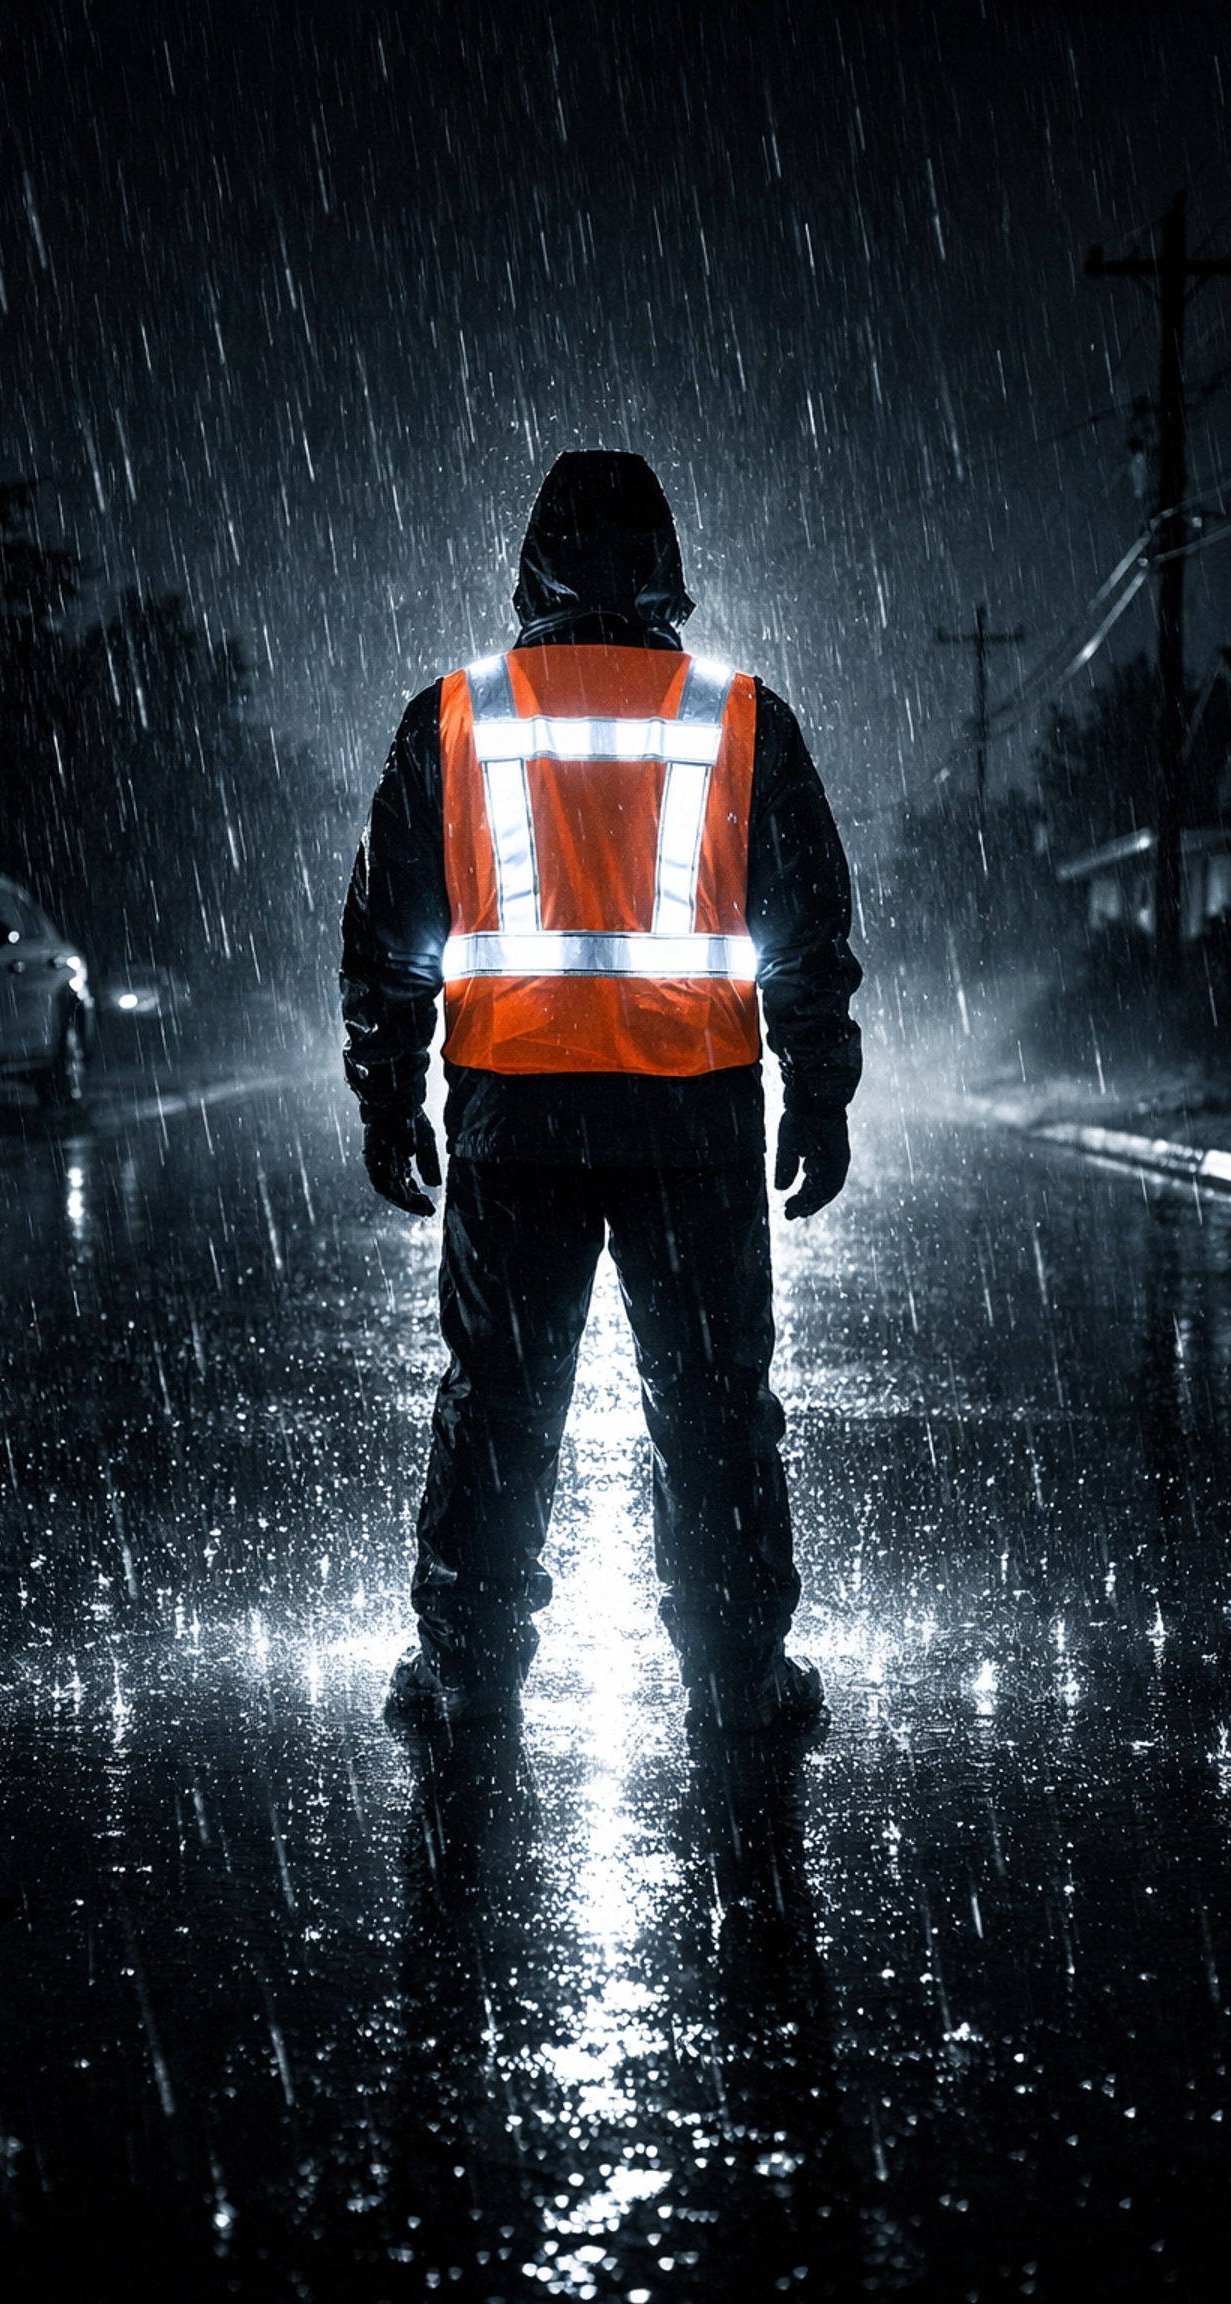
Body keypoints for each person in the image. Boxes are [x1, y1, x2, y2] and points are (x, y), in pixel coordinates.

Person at [340, 451, 862, 1736]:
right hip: (693, 1114)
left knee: (501, 1405)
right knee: (714, 1405)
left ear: (532, 569)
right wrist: (821, 1090)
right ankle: (739, 1677)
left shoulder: (457, 716)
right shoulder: (739, 717)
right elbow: (803, 927)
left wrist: (388, 1090)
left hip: (515, 1116)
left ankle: (467, 1670)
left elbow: (392, 932)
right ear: (668, 574)